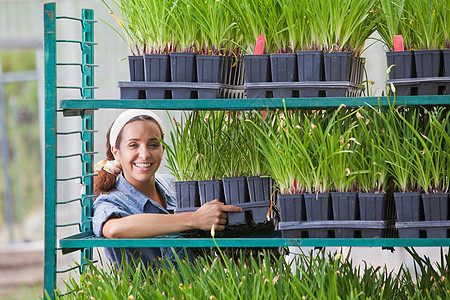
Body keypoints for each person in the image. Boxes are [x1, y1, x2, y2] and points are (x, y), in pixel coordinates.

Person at [92, 109, 243, 268]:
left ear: (163, 149)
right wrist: (194, 219)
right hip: (145, 292)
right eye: (133, 145)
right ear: (116, 152)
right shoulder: (111, 200)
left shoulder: (172, 184)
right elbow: (113, 229)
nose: (144, 154)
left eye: (153, 145)